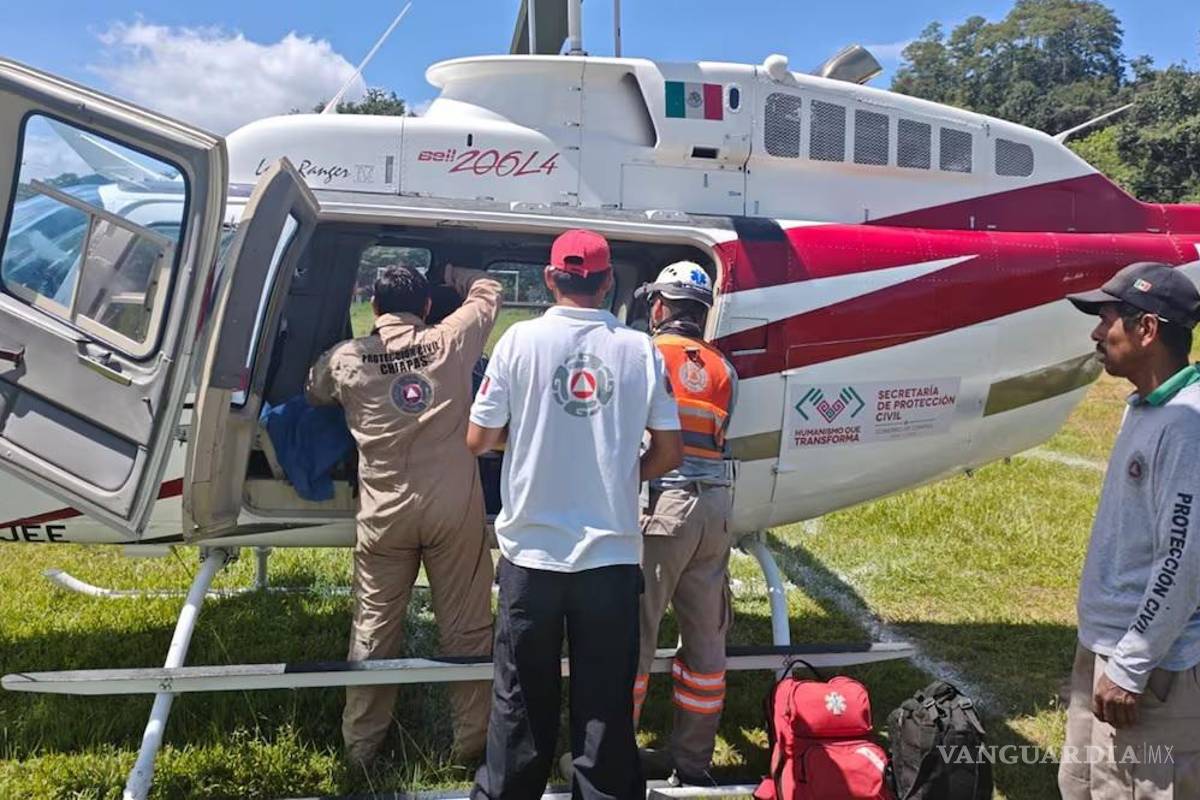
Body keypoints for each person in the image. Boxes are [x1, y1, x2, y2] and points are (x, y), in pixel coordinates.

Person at [467, 229, 683, 799]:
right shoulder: (640, 348)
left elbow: (479, 436)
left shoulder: (519, 341)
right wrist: (620, 473)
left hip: (531, 554)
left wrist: (531, 443)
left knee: (519, 698)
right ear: (609, 281)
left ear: (548, 278)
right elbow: (669, 449)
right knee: (604, 701)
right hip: (609, 556)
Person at [306, 263, 503, 768]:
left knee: (373, 630)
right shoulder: (451, 341)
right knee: (467, 630)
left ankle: (361, 749)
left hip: (383, 512)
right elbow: (488, 294)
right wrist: (458, 271)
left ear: (373, 307)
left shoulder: (348, 358)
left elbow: (314, 390)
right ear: (430, 308)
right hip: (452, 510)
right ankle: (469, 749)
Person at [1059, 261, 1200, 799]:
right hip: (1105, 649)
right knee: (1086, 786)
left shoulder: (1187, 426)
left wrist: (1131, 664)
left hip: (1151, 673)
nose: (1097, 331)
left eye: (1109, 318)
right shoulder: (1146, 408)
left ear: (1147, 330)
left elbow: (1183, 560)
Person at [633, 262, 738, 787]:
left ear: (659, 306)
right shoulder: (723, 368)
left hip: (664, 508)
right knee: (705, 642)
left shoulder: (648, 355)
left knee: (637, 632)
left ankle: (611, 754)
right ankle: (693, 762)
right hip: (715, 510)